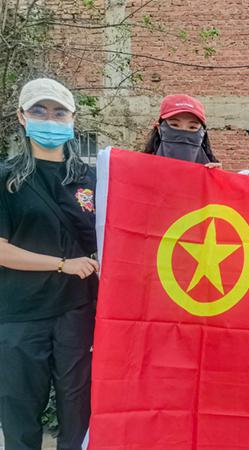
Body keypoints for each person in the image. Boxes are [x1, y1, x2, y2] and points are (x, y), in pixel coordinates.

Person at [0, 78, 98, 450]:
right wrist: (61, 264)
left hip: (77, 313)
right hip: (20, 315)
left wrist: (203, 179)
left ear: (72, 119)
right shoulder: (7, 179)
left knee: (78, 409)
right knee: (20, 410)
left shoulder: (90, 178)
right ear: (22, 117)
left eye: (59, 113)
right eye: (39, 111)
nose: (50, 120)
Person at [144, 94, 221, 167]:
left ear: (203, 133)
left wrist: (217, 175)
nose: (183, 132)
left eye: (192, 127)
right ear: (159, 128)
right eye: (174, 125)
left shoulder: (211, 171)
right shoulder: (141, 169)